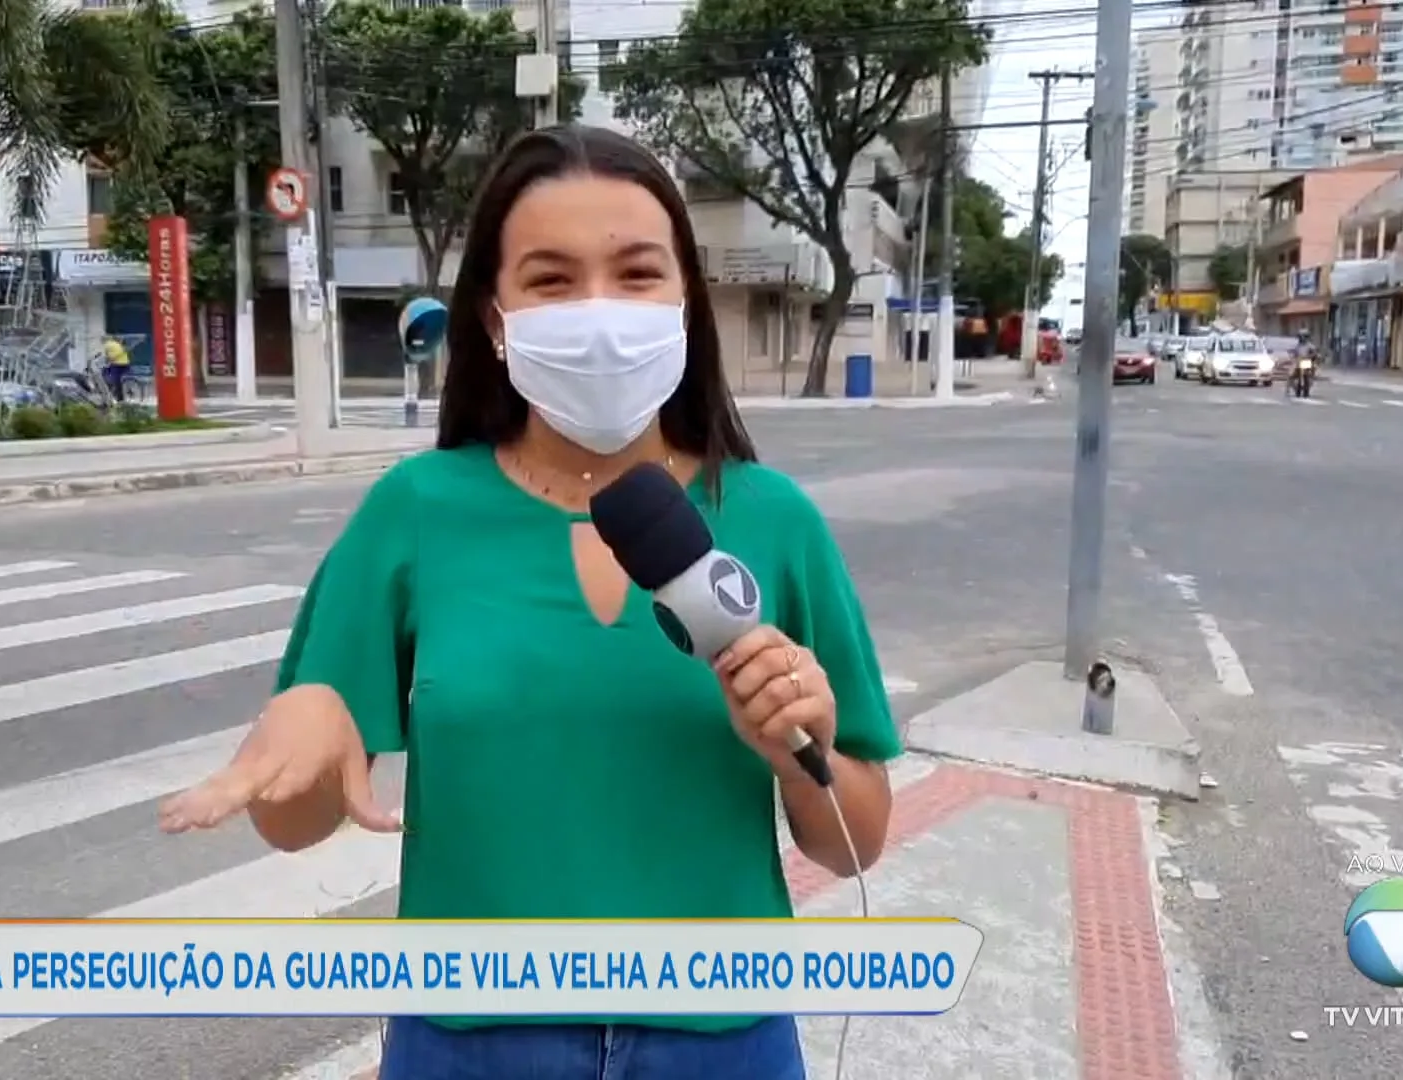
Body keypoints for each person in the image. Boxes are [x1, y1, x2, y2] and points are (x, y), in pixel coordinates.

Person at [157, 124, 899, 1080]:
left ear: (685, 305)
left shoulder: (773, 519)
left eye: (636, 275)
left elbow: (856, 841)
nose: (598, 313)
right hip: (470, 1041)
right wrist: (303, 718)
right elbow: (291, 824)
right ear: (497, 319)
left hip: (723, 1040)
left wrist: (802, 753)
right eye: (551, 280)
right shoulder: (417, 513)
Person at [101, 338, 131, 402]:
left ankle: (120, 398)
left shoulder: (107, 345)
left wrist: (109, 360)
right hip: (125, 364)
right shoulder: (116, 344)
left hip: (119, 364)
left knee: (116, 380)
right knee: (107, 371)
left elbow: (107, 356)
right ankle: (112, 389)